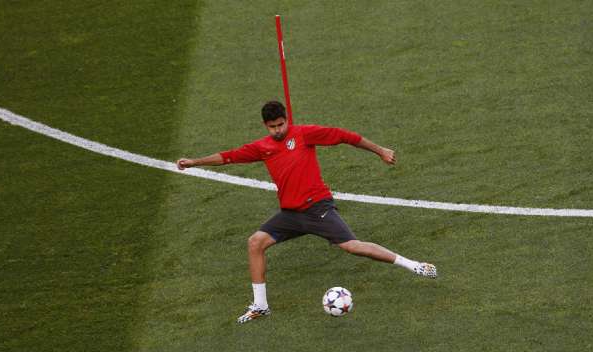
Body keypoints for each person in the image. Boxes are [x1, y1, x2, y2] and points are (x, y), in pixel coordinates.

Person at [177, 101, 437, 324]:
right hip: (290, 215)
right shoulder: (262, 147)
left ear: (286, 120)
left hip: (317, 208)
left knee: (353, 246)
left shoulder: (304, 134)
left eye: (281, 124)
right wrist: (194, 162)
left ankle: (415, 266)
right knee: (255, 242)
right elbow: (228, 157)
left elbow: (345, 136)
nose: (278, 130)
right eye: (272, 127)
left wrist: (380, 150)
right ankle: (260, 305)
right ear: (265, 126)